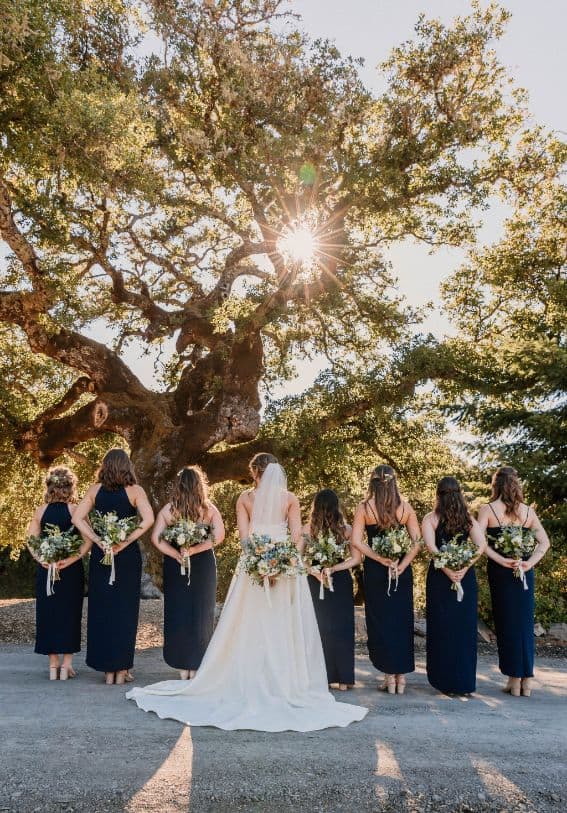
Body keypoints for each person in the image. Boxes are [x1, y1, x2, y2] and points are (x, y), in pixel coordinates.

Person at [127, 453, 367, 731]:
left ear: (254, 473)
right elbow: (296, 537)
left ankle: (245, 676)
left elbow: (244, 539)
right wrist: (277, 563)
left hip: (252, 565)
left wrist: (259, 561)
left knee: (248, 621)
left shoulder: (244, 499)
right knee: (281, 622)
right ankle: (283, 680)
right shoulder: (289, 498)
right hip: (283, 566)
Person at [72, 449, 154, 685]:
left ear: (105, 466)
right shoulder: (135, 491)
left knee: (103, 609)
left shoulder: (95, 490)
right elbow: (148, 519)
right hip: (126, 556)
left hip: (102, 555)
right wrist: (127, 540)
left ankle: (108, 670)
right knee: (125, 611)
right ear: (127, 466)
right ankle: (122, 669)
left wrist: (97, 539)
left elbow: (77, 518)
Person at [477, 467, 550, 697]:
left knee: (507, 624)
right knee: (523, 625)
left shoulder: (487, 509)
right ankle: (523, 680)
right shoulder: (527, 511)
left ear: (495, 484)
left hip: (502, 572)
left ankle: (514, 679)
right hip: (523, 572)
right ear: (516, 484)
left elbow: (479, 544)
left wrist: (501, 559)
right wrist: (530, 563)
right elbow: (544, 543)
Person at [351, 465, 422, 694]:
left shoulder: (365, 508)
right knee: (401, 621)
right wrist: (402, 565)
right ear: (394, 483)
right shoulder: (406, 508)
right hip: (400, 572)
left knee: (381, 621)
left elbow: (356, 541)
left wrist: (378, 558)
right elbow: (417, 542)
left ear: (373, 483)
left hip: (377, 570)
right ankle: (400, 679)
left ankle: (388, 677)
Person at [151, 466, 225, 679]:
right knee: (201, 613)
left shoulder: (169, 509)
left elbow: (156, 539)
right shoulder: (209, 509)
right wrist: (194, 550)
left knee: (179, 613)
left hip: (177, 566)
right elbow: (218, 537)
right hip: (202, 565)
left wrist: (175, 554)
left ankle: (183, 668)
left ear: (179, 485)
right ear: (200, 485)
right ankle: (198, 665)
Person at [422, 476, 486, 695]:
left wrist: (449, 569)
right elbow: (480, 546)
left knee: (443, 628)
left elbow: (432, 548)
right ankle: (464, 683)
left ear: (438, 495)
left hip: (441, 577)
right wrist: (464, 568)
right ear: (459, 493)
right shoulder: (467, 519)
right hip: (463, 577)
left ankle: (444, 682)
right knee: (464, 630)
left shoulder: (430, 518)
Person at [27, 466, 90, 680]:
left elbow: (31, 541)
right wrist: (70, 560)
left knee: (49, 614)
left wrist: (43, 560)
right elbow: (87, 541)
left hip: (47, 572)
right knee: (70, 615)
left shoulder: (40, 511)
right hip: (70, 572)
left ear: (50, 486)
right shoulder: (76, 510)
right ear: (71, 487)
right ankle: (66, 666)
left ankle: (53, 666)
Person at [301, 488, 360, 691]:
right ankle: (344, 679)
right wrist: (333, 568)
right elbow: (355, 559)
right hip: (337, 578)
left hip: (318, 578)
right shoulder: (346, 529)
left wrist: (315, 570)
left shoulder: (308, 529)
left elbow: (298, 560)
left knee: (320, 627)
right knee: (341, 628)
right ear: (337, 506)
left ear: (315, 507)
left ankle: (323, 678)